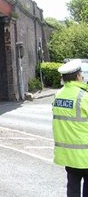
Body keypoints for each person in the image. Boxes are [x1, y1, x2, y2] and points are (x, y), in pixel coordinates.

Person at [52, 59, 88, 197]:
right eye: (81, 74)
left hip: (68, 155)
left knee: (72, 188)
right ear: (78, 76)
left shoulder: (57, 95)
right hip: (85, 155)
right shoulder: (83, 97)